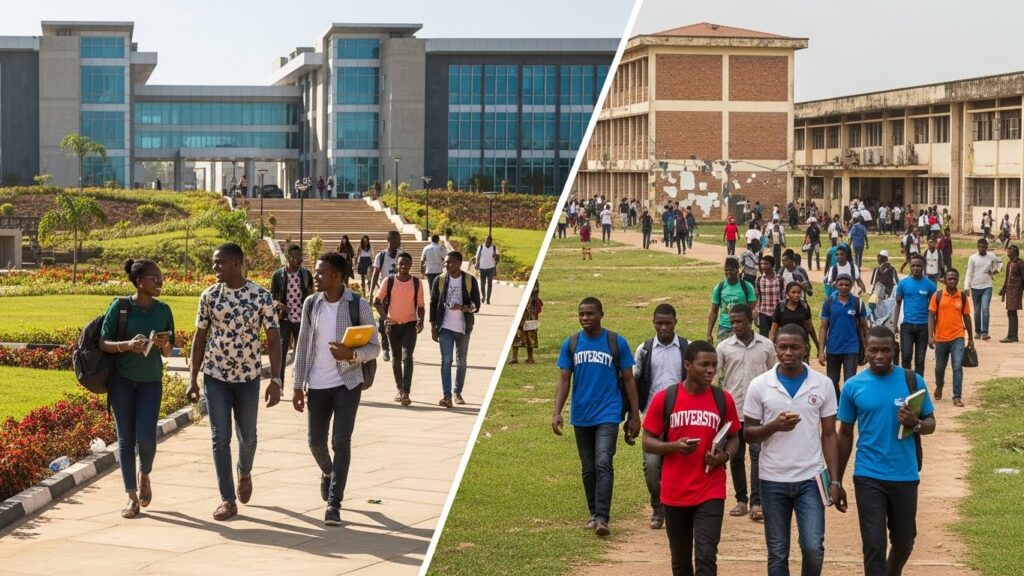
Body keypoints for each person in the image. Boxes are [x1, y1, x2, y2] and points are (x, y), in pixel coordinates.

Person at [187, 243, 282, 521]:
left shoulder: (260, 297)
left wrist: (276, 379)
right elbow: (199, 338)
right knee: (220, 438)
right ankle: (227, 499)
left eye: (220, 263)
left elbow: (274, 339)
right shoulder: (209, 296)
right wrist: (193, 377)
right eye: (214, 263)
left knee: (248, 437)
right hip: (215, 377)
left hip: (248, 378)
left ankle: (244, 470)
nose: (215, 268)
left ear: (237, 264)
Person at [743, 324, 844, 576]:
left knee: (813, 547)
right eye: (783, 347)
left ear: (805, 349)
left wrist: (835, 479)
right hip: (772, 479)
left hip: (810, 478)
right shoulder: (760, 385)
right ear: (775, 349)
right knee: (777, 551)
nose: (788, 352)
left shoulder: (822, 385)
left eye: (794, 347)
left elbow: (829, 434)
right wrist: (774, 426)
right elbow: (748, 433)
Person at [836, 326, 936, 576]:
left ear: (895, 351)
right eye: (873, 350)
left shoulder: (912, 380)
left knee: (905, 540)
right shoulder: (852, 386)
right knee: (873, 543)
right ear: (865, 351)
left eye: (885, 350)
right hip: (868, 474)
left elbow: (930, 423)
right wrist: (836, 479)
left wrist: (916, 424)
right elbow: (844, 434)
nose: (879, 355)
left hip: (905, 473)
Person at [290, 252, 379, 525]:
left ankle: (333, 503)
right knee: (315, 441)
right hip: (316, 384)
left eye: (320, 272)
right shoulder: (311, 304)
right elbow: (303, 344)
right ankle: (328, 473)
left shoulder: (357, 305)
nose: (315, 276)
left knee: (341, 442)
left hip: (347, 383)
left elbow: (374, 346)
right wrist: (297, 385)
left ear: (337, 277)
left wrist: (351, 356)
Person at [642, 341, 740, 575]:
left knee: (706, 556)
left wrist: (724, 455)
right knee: (681, 560)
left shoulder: (722, 399)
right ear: (687, 365)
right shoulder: (665, 398)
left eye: (714, 365)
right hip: (675, 491)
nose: (711, 370)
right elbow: (648, 441)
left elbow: (735, 437)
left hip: (710, 489)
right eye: (704, 365)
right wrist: (673, 446)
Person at [553, 297, 641, 537]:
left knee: (604, 462)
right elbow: (563, 380)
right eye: (581, 314)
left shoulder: (616, 342)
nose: (585, 318)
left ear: (601, 314)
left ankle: (603, 517)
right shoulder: (571, 344)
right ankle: (593, 514)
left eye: (590, 314)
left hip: (608, 413)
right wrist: (557, 412)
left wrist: (634, 415)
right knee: (588, 468)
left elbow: (629, 380)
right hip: (581, 414)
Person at [99, 259, 175, 519]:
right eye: (155, 278)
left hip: (150, 382)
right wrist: (127, 345)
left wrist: (163, 344)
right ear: (140, 281)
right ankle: (131, 496)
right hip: (122, 381)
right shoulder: (120, 307)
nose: (160, 281)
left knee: (146, 437)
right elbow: (103, 342)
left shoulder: (163, 310)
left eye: (161, 277)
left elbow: (167, 352)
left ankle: (145, 473)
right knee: (125, 440)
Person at [717, 304, 776, 523]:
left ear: (750, 321)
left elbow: (774, 376)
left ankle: (757, 502)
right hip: (734, 410)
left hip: (760, 412)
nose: (735, 326)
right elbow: (716, 378)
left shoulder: (766, 346)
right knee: (736, 455)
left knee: (757, 454)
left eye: (739, 321)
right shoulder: (724, 347)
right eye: (732, 322)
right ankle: (741, 500)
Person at [632, 303, 688, 530]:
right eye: (659, 323)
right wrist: (633, 416)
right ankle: (657, 505)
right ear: (653, 322)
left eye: (668, 323)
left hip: (681, 416)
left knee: (681, 464)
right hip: (653, 416)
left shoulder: (687, 348)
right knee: (652, 466)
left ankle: (680, 507)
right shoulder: (644, 350)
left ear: (676, 322)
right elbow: (635, 383)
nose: (663, 327)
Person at [430, 251, 481, 407]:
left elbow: (476, 305)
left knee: (461, 362)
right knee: (446, 361)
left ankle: (457, 392)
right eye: (445, 262)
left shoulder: (469, 280)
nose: (447, 265)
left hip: (463, 328)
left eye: (450, 262)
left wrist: (464, 308)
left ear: (459, 263)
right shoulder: (440, 280)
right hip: (445, 327)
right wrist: (433, 325)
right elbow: (433, 303)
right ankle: (447, 396)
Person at [374, 252, 425, 406]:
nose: (404, 266)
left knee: (407, 356)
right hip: (393, 325)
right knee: (396, 357)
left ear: (411, 265)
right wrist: (385, 317)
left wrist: (421, 319)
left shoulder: (416, 283)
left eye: (407, 264)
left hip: (410, 324)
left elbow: (421, 306)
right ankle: (399, 389)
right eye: (401, 263)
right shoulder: (388, 281)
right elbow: (376, 301)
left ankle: (406, 391)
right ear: (396, 264)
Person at [929, 268, 974, 407]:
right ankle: (939, 385)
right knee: (939, 368)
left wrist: (971, 338)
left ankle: (957, 397)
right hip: (941, 338)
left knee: (957, 367)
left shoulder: (962, 296)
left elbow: (966, 317)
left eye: (955, 278)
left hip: (958, 337)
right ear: (944, 280)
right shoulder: (937, 296)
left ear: (958, 279)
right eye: (950, 278)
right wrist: (930, 336)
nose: (952, 281)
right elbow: (931, 316)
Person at [818, 274, 868, 399]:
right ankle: (838, 403)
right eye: (841, 284)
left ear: (851, 285)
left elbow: (864, 328)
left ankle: (848, 407)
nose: (844, 287)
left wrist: (867, 349)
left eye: (847, 285)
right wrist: (820, 351)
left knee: (850, 382)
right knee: (832, 381)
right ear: (836, 285)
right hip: (833, 348)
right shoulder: (829, 302)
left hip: (852, 348)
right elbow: (823, 327)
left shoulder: (858, 303)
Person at [271, 245, 313, 382]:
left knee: (302, 352)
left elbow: (312, 295)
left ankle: (300, 381)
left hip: (302, 318)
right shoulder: (278, 276)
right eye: (295, 257)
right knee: (282, 351)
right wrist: (279, 305)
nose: (299, 260)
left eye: (300, 257)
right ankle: (279, 383)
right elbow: (272, 298)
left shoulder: (306, 275)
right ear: (288, 258)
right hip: (285, 319)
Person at [893, 254, 935, 377]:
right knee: (906, 356)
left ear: (923, 267)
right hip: (907, 326)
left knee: (920, 360)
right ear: (910, 267)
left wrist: (932, 333)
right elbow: (898, 305)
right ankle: (907, 384)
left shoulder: (930, 285)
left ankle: (918, 386)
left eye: (919, 266)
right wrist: (894, 325)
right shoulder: (903, 284)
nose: (916, 268)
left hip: (924, 327)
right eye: (913, 266)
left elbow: (933, 311)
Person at [706, 257, 757, 344]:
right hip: (724, 328)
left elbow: (751, 310)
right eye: (726, 270)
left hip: (742, 328)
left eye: (732, 270)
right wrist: (709, 333)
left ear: (738, 270)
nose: (728, 272)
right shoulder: (719, 288)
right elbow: (714, 311)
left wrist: (748, 327)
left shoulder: (747, 287)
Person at [371, 230, 402, 361]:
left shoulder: (402, 255)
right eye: (394, 239)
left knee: (399, 321)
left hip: (399, 293)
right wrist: (371, 291)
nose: (397, 241)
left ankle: (398, 348)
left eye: (398, 239)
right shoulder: (381, 256)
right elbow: (375, 274)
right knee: (384, 321)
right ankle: (385, 348)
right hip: (385, 294)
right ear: (388, 240)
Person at [770, 282, 820, 357]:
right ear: (787, 293)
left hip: (800, 344)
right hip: (785, 344)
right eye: (793, 292)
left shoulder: (804, 307)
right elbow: (773, 332)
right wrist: (772, 347)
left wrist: (818, 347)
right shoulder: (780, 307)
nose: (796, 295)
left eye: (798, 293)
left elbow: (810, 329)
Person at [964, 238, 1000, 341]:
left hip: (987, 287)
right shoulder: (973, 258)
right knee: (976, 311)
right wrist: (967, 286)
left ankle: (985, 332)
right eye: (980, 247)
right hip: (975, 287)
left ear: (987, 247)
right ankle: (977, 331)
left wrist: (994, 271)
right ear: (977, 247)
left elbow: (999, 263)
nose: (982, 249)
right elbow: (969, 273)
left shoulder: (991, 256)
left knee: (985, 309)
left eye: (984, 247)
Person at [511, 282, 542, 364]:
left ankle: (516, 357)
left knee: (521, 331)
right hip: (530, 309)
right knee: (528, 331)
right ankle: (528, 358)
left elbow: (535, 292)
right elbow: (536, 292)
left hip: (529, 309)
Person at [755, 255, 785, 336]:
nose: (763, 266)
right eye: (761, 264)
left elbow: (784, 297)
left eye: (766, 264)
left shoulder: (780, 280)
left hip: (777, 314)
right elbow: (757, 296)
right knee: (763, 338)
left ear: (772, 265)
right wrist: (756, 312)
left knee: (777, 336)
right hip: (763, 313)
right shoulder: (759, 280)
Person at [999, 245, 1023, 343]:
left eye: (1010, 251)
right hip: (1009, 290)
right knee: (1011, 312)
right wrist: (1003, 289)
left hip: (1016, 290)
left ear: (1015, 252)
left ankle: (1011, 336)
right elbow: (1006, 278)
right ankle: (1013, 335)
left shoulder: (1020, 263)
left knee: (1012, 311)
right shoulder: (1009, 263)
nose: (1007, 253)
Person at [474, 236, 500, 305]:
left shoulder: (494, 248)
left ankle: (488, 299)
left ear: (491, 241)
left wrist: (496, 259)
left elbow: (498, 256)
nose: (488, 242)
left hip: (491, 268)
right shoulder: (481, 247)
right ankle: (483, 296)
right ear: (484, 240)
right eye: (487, 240)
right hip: (482, 268)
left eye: (489, 241)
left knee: (489, 283)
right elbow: (477, 256)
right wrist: (477, 263)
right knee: (482, 284)